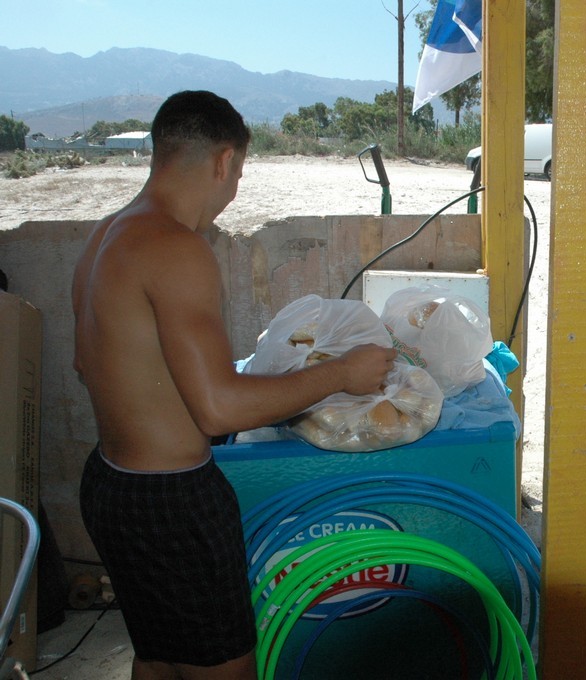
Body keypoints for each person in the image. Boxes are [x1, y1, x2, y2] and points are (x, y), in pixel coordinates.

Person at [71, 90, 396, 680]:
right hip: (171, 502)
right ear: (224, 161)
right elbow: (218, 410)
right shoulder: (177, 247)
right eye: (239, 174)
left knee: (158, 657)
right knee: (225, 667)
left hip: (109, 485)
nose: (233, 190)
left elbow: (89, 365)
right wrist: (342, 373)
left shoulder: (106, 237)